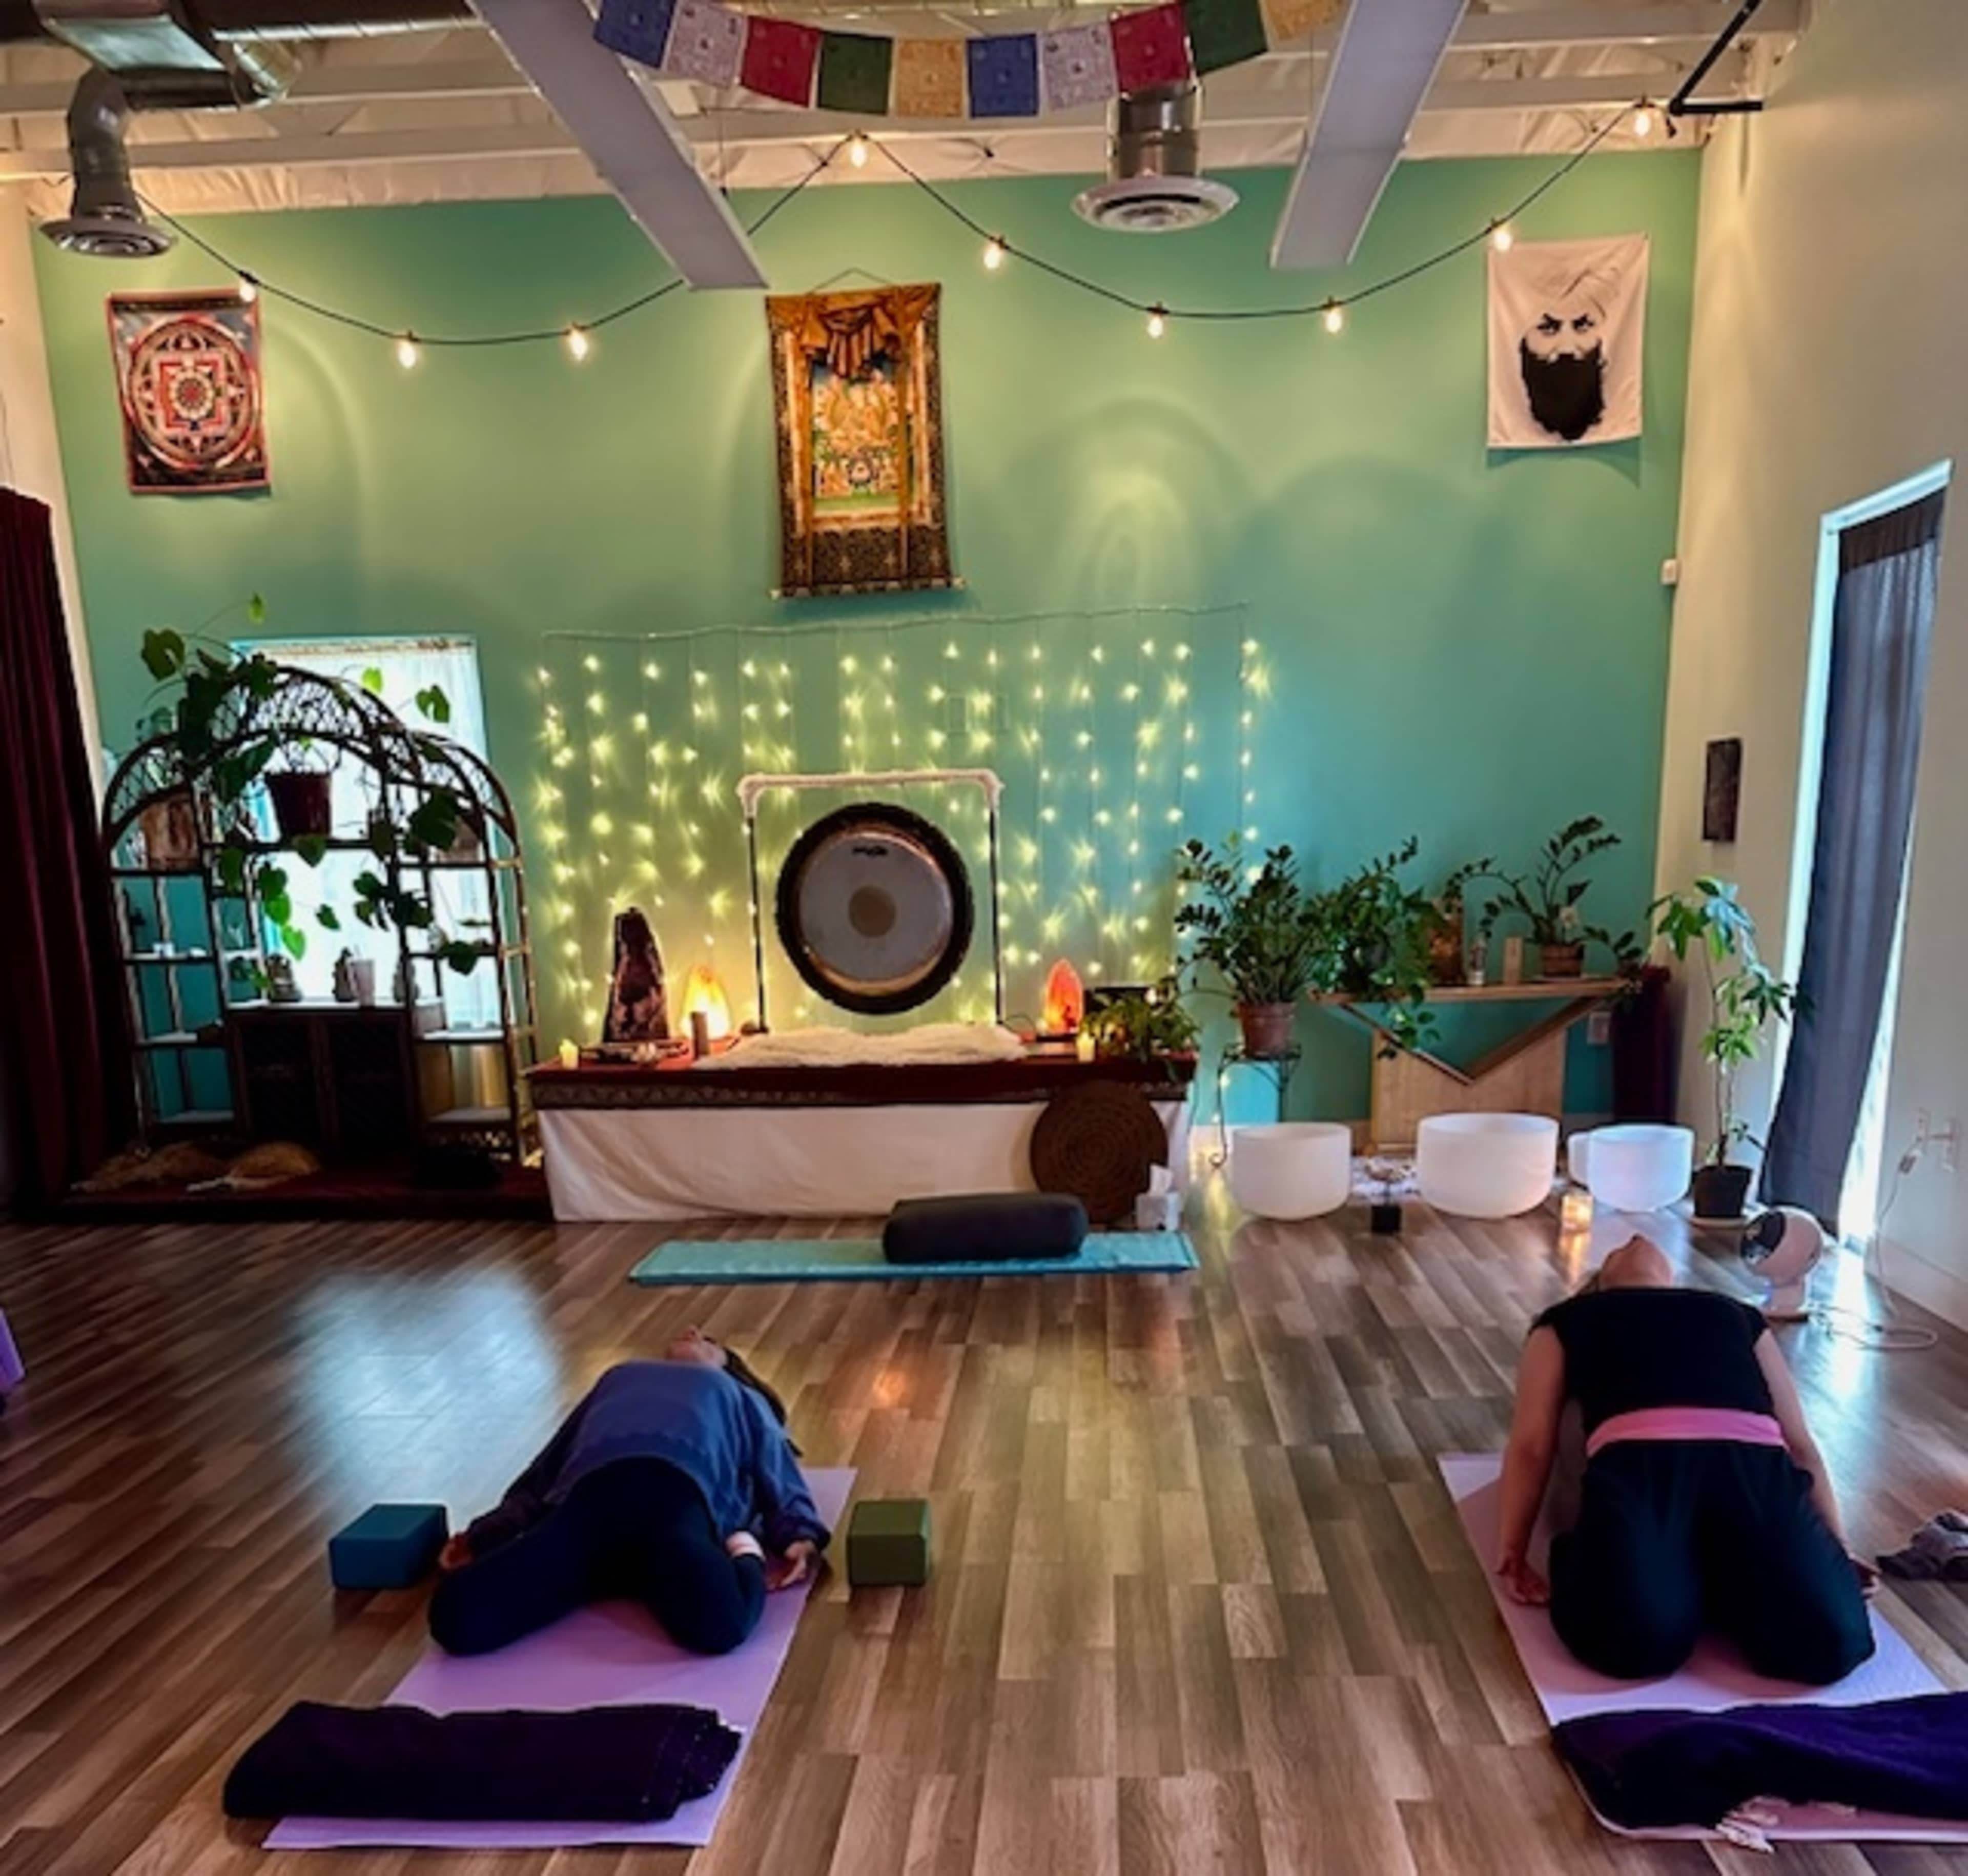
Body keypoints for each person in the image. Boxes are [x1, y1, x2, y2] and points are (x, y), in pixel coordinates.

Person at [1496, 1236, 1876, 1686]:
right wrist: (1513, 1552)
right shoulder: (1565, 1321)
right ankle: (1673, 1570)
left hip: (1753, 1466)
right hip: (1642, 1468)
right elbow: (1531, 1445)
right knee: (1634, 1643)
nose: (1637, 1239)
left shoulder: (1737, 1316)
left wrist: (1838, 1548)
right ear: (1603, 1284)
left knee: (1833, 1643)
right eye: (1619, 1249)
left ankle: (1703, 1572)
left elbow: (1799, 1444)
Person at [429, 1327, 828, 1658]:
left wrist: (798, 1535)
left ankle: (744, 1553)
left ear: (730, 1365)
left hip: (674, 1505)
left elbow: (775, 1462)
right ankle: (620, 1574)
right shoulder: (619, 1376)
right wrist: (487, 1534)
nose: (691, 1332)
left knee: (723, 1626)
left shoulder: (736, 1394)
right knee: (454, 1618)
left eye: (708, 1341)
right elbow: (548, 1466)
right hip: (587, 1511)